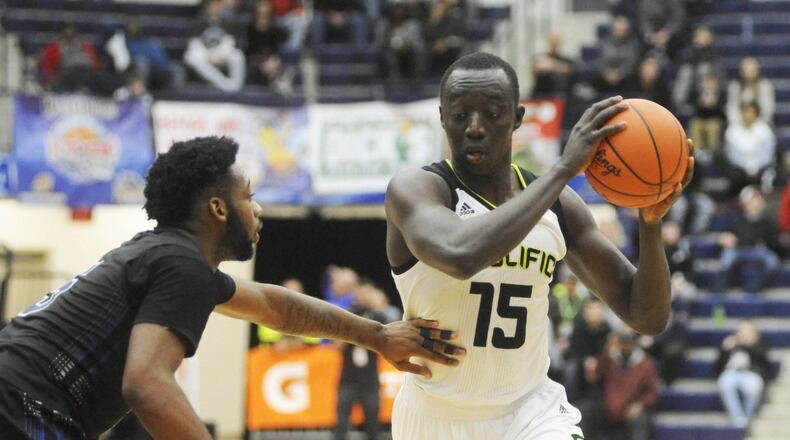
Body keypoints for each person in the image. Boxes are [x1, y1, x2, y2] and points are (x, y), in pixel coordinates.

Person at [0, 136, 463, 440]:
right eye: (249, 197)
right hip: (22, 405)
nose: (258, 210)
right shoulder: (180, 262)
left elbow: (274, 307)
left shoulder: (168, 256)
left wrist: (375, 335)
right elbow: (145, 382)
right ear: (218, 209)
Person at [384, 52, 694, 439]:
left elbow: (646, 316)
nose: (475, 128)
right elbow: (460, 255)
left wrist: (650, 224)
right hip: (434, 418)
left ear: (517, 118)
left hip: (530, 414)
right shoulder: (417, 189)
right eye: (461, 115)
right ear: (442, 117)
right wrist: (563, 169)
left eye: (492, 114)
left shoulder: (560, 206)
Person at [715, 320, 771, 428]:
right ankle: (737, 417)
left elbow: (764, 360)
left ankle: (748, 416)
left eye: (747, 332)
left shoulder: (760, 344)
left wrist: (746, 345)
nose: (743, 335)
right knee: (725, 382)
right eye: (741, 332)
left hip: (751, 374)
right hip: (732, 373)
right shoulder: (730, 344)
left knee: (753, 387)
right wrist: (724, 349)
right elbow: (717, 365)